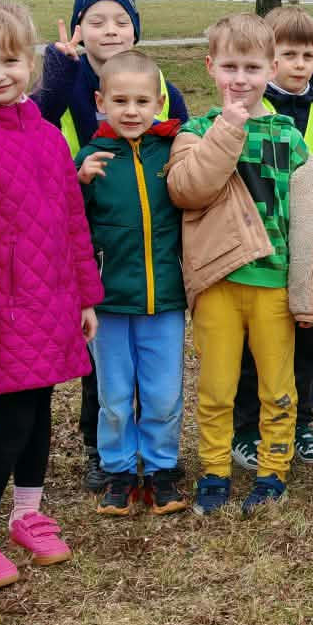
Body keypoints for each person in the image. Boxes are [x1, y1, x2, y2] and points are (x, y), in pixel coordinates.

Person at [0, 0, 103, 589]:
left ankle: (28, 514)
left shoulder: (48, 136)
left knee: (40, 419)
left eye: (9, 60)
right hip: (2, 313)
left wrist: (85, 295)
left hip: (51, 302)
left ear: (31, 63)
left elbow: (71, 222)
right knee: (11, 423)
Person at [165, 13, 313, 518]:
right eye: (230, 67)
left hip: (272, 287)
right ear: (210, 67)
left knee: (276, 385)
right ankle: (214, 471)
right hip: (217, 283)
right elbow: (189, 188)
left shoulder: (287, 136)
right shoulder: (195, 132)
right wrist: (228, 128)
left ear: (269, 69)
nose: (240, 79)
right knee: (217, 387)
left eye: (251, 67)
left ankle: (272, 471)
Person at [31, 0, 190, 492]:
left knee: (160, 381)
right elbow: (37, 121)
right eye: (96, 21)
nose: (110, 30)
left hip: (158, 276)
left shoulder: (163, 94)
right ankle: (105, 453)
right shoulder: (69, 81)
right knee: (105, 379)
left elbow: (186, 162)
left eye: (121, 20)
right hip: (103, 270)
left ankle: (159, 458)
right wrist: (57, 67)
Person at [75, 50, 191, 516]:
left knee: (163, 393)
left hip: (164, 298)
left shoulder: (175, 151)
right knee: (115, 396)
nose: (131, 111)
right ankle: (118, 471)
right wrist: (79, 182)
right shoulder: (90, 158)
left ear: (160, 102)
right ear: (100, 101)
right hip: (109, 302)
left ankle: (162, 469)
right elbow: (69, 224)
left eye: (142, 101)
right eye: (119, 100)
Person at [231, 6, 313, 471]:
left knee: (306, 340)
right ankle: (247, 428)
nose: (299, 64)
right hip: (261, 246)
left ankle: (300, 423)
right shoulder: (254, 107)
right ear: (268, 58)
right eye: (288, 54)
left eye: (308, 55)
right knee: (253, 346)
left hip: (308, 247)